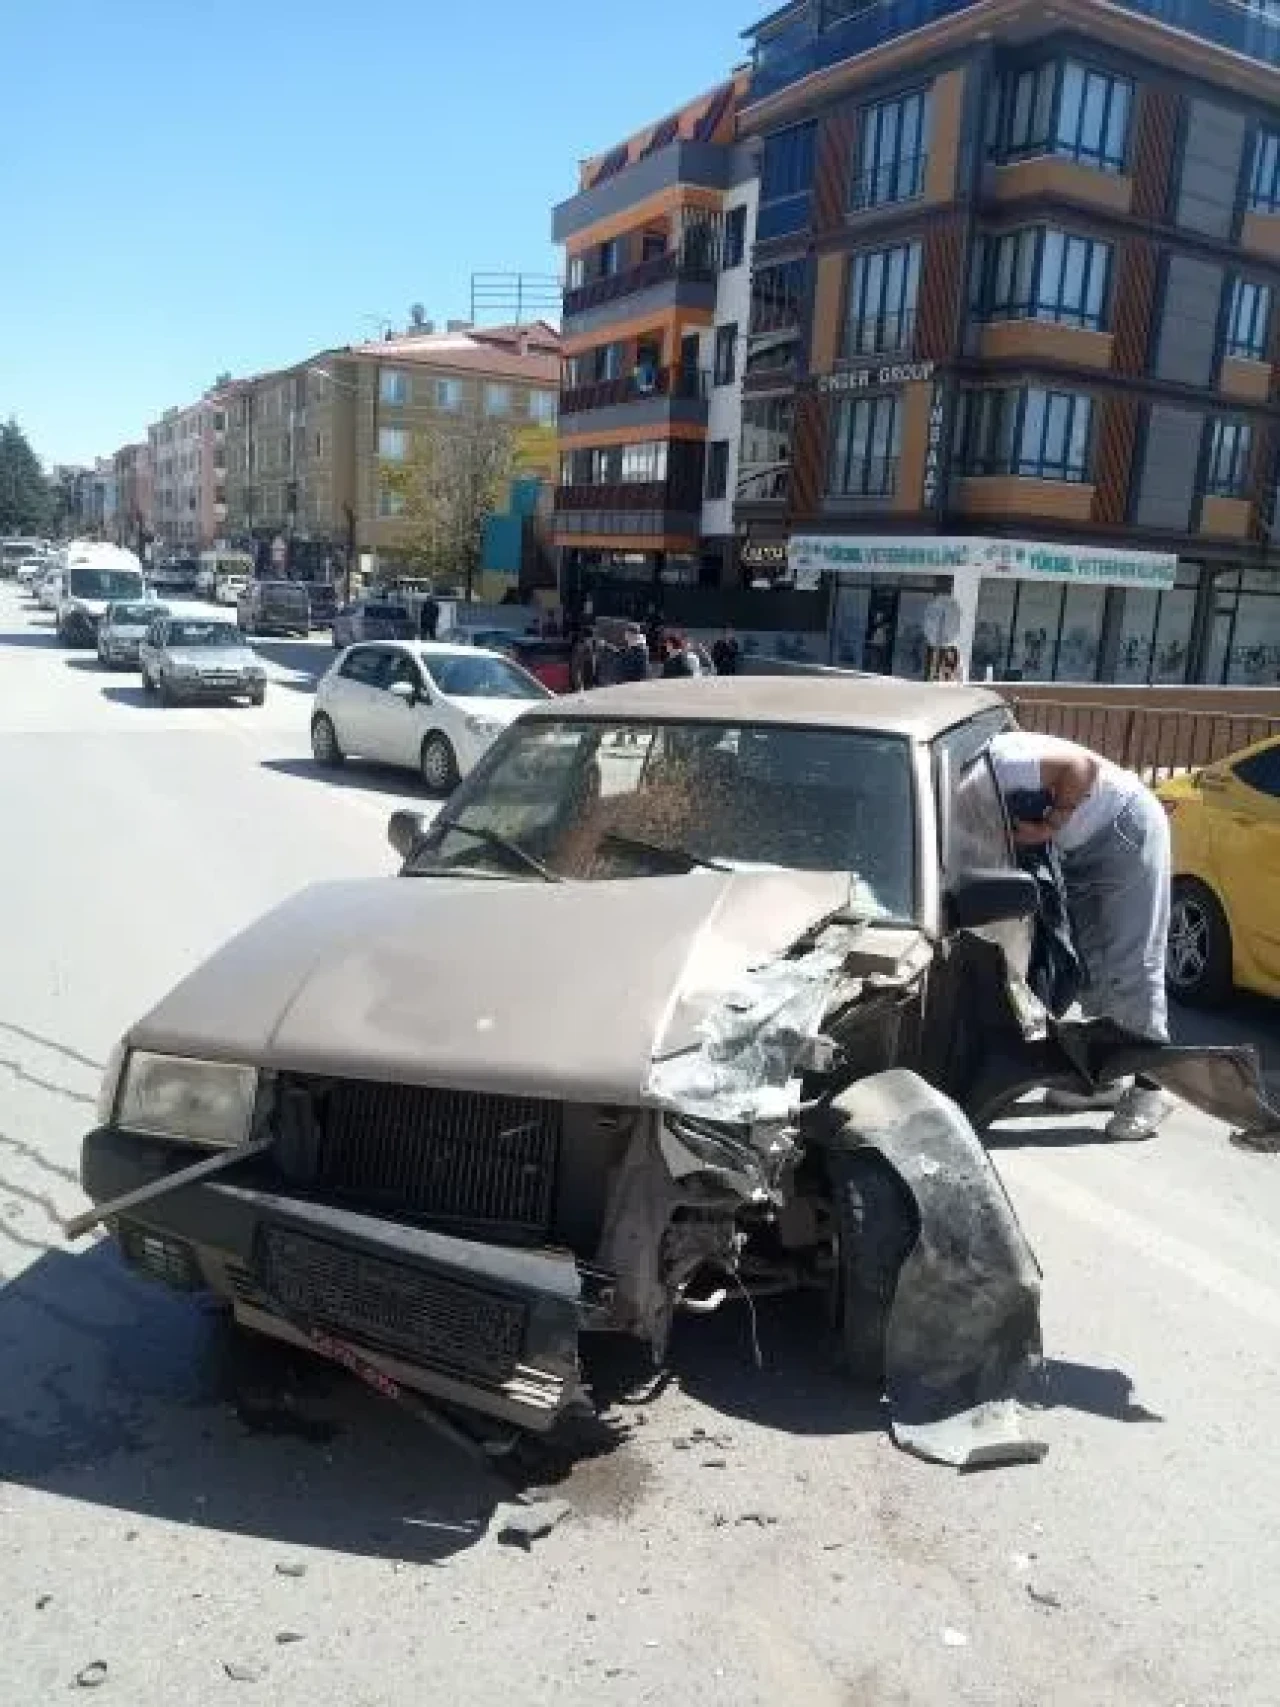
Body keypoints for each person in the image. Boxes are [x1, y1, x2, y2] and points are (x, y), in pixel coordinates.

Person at [989, 729, 1172, 1140]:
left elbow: (1080, 768)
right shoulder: (964, 770)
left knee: (1131, 962)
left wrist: (1052, 823)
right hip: (1079, 844)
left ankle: (1151, 1090)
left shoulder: (999, 766)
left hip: (1124, 828)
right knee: (1093, 961)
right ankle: (1106, 1074)